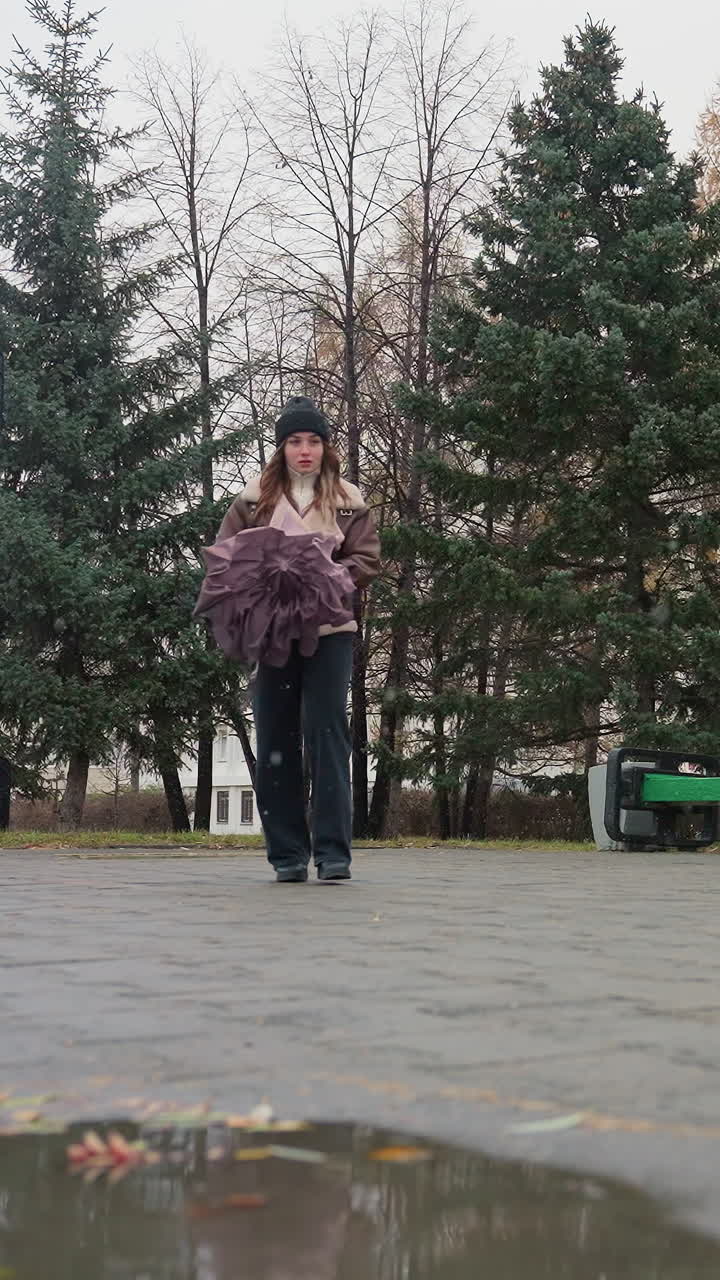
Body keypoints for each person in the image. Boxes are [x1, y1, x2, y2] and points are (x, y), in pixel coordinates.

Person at [216, 396, 381, 883]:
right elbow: (226, 561)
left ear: (326, 447)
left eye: (313, 441)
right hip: (271, 635)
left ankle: (334, 854)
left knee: (328, 736)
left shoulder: (350, 502)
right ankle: (286, 854)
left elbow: (366, 560)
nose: (304, 450)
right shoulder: (251, 502)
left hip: (330, 633)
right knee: (275, 739)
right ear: (281, 448)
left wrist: (325, 578)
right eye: (294, 441)